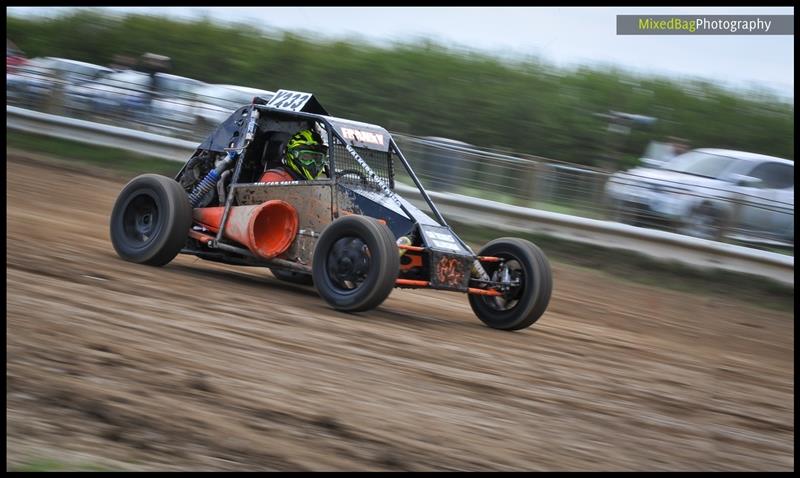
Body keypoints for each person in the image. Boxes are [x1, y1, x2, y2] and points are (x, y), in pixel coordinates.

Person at [259, 129, 328, 182]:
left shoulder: (307, 183)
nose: (313, 162)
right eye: (306, 157)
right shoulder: (275, 178)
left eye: (318, 158)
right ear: (292, 155)